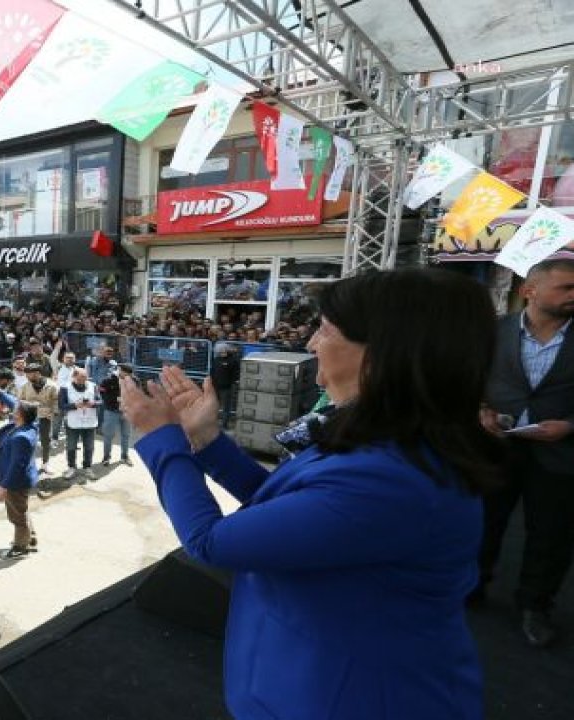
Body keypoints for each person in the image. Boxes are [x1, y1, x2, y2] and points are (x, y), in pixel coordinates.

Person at [120, 268, 504, 719]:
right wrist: (205, 440)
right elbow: (299, 512)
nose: (311, 344)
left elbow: (211, 542)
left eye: (324, 330)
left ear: (380, 354)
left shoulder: (391, 478)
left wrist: (162, 440)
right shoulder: (395, 443)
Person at [478, 257, 574, 647]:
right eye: (565, 288)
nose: (573, 295)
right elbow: (469, 378)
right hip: (496, 446)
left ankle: (535, 606)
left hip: (561, 452)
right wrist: (480, 411)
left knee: (551, 536)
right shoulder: (492, 332)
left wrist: (569, 425)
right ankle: (473, 585)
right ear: (529, 290)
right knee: (484, 522)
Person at [0, 402, 40, 560]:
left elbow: (16, 466)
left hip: (15, 482)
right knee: (22, 510)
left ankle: (21, 547)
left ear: (20, 415)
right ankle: (30, 539)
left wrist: (4, 487)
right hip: (21, 479)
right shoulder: (31, 426)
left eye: (15, 410)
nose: (12, 410)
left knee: (17, 516)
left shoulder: (21, 437)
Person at [15, 363, 59, 475]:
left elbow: (56, 401)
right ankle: (27, 464)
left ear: (38, 373)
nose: (29, 376)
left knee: (46, 440)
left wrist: (53, 413)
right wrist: (30, 404)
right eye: (28, 374)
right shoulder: (25, 386)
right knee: (28, 441)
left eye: (32, 374)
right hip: (29, 417)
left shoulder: (52, 385)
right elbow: (19, 401)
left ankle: (45, 464)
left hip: (45, 416)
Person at [58, 368, 100, 479]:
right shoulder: (65, 387)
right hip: (73, 422)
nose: (84, 379)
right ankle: (72, 468)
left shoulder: (93, 385)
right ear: (74, 376)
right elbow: (61, 405)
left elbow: (100, 401)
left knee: (89, 447)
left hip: (89, 422)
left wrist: (93, 403)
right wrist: (74, 406)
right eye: (81, 377)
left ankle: (87, 468)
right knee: (71, 447)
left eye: (85, 377)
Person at [98, 363, 133, 466]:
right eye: (125, 373)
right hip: (111, 411)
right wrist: (114, 400)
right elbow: (101, 392)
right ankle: (106, 457)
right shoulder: (108, 379)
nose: (128, 376)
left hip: (127, 412)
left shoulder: (134, 380)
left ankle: (125, 456)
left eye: (129, 374)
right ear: (120, 370)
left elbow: (137, 392)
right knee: (108, 435)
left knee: (126, 435)